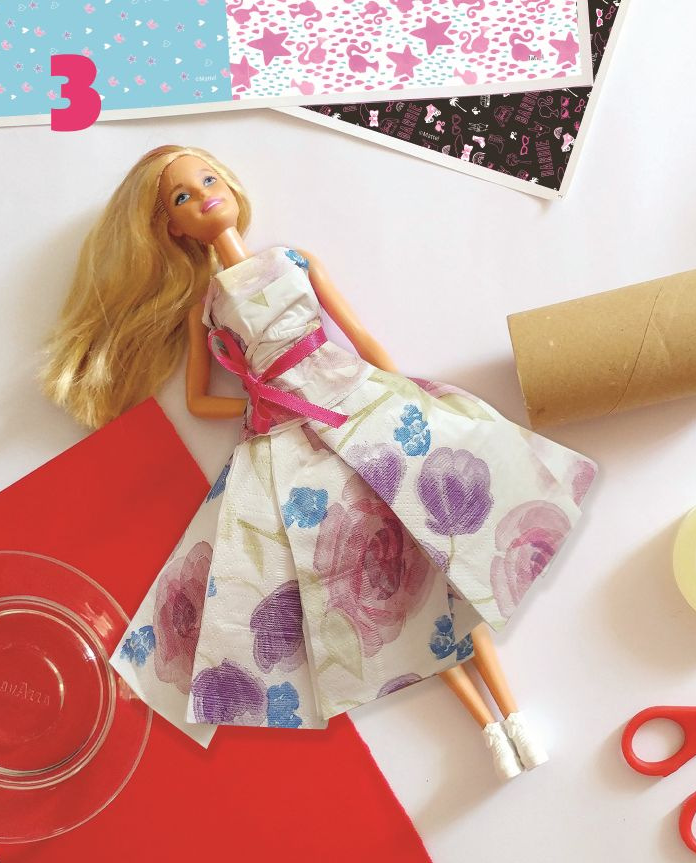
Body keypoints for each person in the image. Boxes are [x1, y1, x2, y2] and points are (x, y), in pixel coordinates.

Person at [40, 145, 596, 778]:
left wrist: (403, 393)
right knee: (395, 587)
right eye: (183, 198)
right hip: (295, 447)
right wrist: (260, 407)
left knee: (438, 554)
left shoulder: (293, 262)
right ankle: (490, 729)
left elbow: (358, 336)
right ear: (172, 227)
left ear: (230, 183)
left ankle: (513, 717)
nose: (204, 196)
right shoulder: (207, 311)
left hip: (355, 402)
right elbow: (197, 401)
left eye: (208, 179)